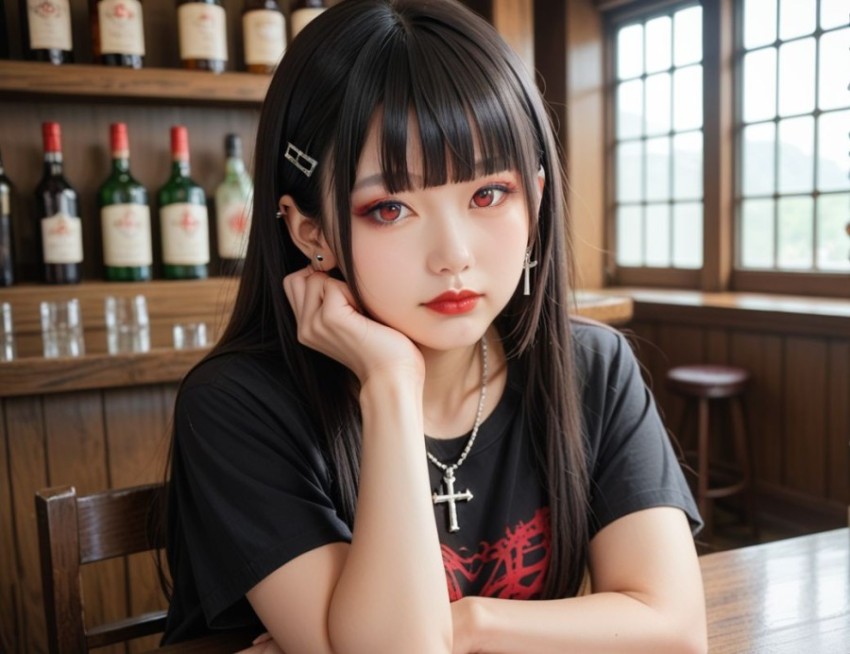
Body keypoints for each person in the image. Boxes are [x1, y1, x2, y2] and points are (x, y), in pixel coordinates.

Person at [162, 0, 707, 652]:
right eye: (390, 208)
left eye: (488, 194)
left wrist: (466, 624)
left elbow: (675, 631)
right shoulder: (236, 405)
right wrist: (391, 382)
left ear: (535, 199)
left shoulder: (592, 366)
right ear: (312, 233)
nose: (453, 255)